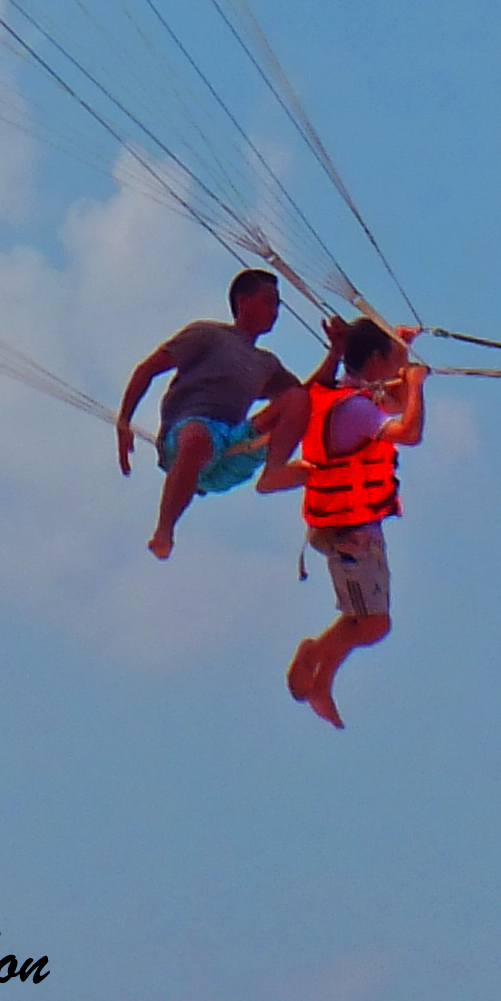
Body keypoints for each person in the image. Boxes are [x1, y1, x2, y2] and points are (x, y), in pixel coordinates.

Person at [258, 317, 424, 728]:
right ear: (374, 358)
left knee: (365, 619)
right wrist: (417, 383)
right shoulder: (355, 408)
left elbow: (393, 402)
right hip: (349, 534)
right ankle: (314, 656)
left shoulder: (344, 395)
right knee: (371, 623)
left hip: (349, 527)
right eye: (392, 357)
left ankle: (322, 682)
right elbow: (408, 430)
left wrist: (400, 354)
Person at [113, 269, 301, 560]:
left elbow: (305, 400)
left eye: (278, 305)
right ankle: (164, 529)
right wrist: (124, 422)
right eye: (268, 301)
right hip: (187, 436)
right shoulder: (207, 335)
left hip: (232, 448)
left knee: (299, 397)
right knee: (199, 436)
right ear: (243, 301)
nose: (275, 311)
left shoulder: (267, 364)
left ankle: (273, 471)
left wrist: (336, 354)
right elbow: (147, 369)